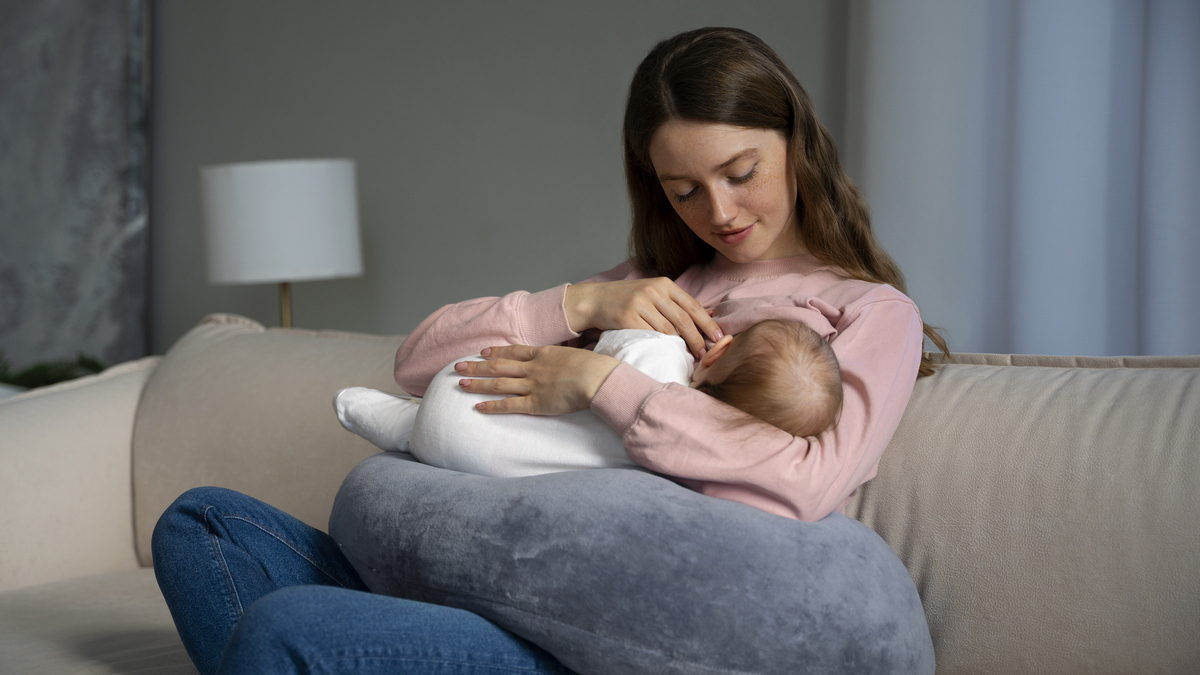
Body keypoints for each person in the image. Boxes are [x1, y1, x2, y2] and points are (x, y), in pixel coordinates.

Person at [152, 26, 947, 675]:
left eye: (741, 172)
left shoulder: (869, 311)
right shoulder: (656, 281)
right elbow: (416, 363)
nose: (720, 211)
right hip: (486, 569)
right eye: (684, 191)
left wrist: (603, 382)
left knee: (280, 631)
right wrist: (581, 304)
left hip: (619, 622)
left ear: (797, 143)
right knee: (201, 525)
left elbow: (810, 480)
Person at [334, 319, 843, 477]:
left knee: (422, 418)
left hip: (465, 389)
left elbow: (601, 348)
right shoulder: (684, 462)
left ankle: (403, 424)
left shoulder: (660, 350)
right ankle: (410, 431)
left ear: (719, 350)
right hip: (478, 464)